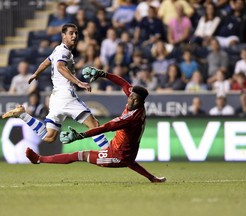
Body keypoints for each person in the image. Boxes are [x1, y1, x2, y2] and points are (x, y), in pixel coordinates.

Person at [25, 68, 166, 183]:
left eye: (135, 100)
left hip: (116, 155)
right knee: (128, 159)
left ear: (142, 103)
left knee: (78, 155)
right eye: (131, 97)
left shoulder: (131, 118)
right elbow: (123, 83)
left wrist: (80, 136)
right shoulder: (133, 96)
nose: (131, 101)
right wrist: (102, 73)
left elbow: (106, 128)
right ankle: (152, 178)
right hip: (122, 150)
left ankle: (38, 159)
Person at [2, 23, 109, 150]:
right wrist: (79, 82)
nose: (74, 36)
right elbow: (60, 66)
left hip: (56, 98)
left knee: (49, 136)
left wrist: (36, 73)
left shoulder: (58, 49)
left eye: (76, 33)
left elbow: (46, 62)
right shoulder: (64, 51)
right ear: (63, 35)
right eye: (71, 33)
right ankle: (111, 153)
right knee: (94, 124)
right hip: (66, 96)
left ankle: (22, 115)